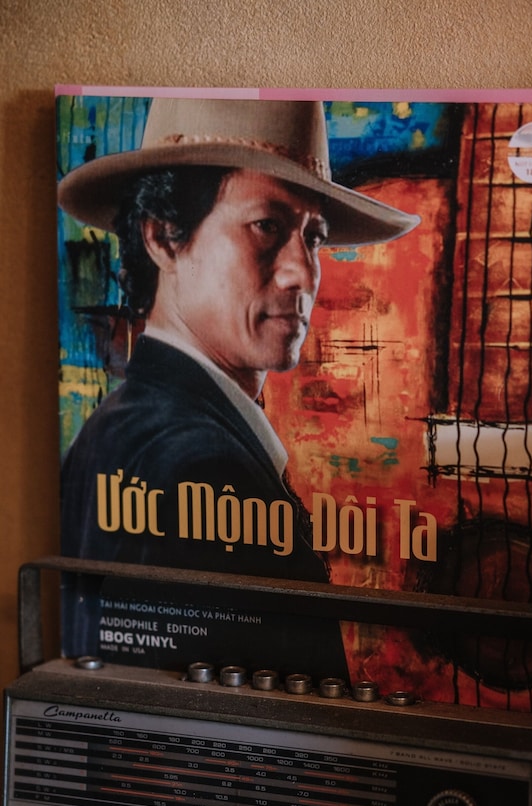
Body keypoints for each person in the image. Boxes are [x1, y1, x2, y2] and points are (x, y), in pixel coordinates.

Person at [57, 96, 419, 675]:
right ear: (164, 238)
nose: (303, 273)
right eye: (266, 226)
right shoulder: (204, 464)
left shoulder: (120, 425)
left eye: (314, 237)